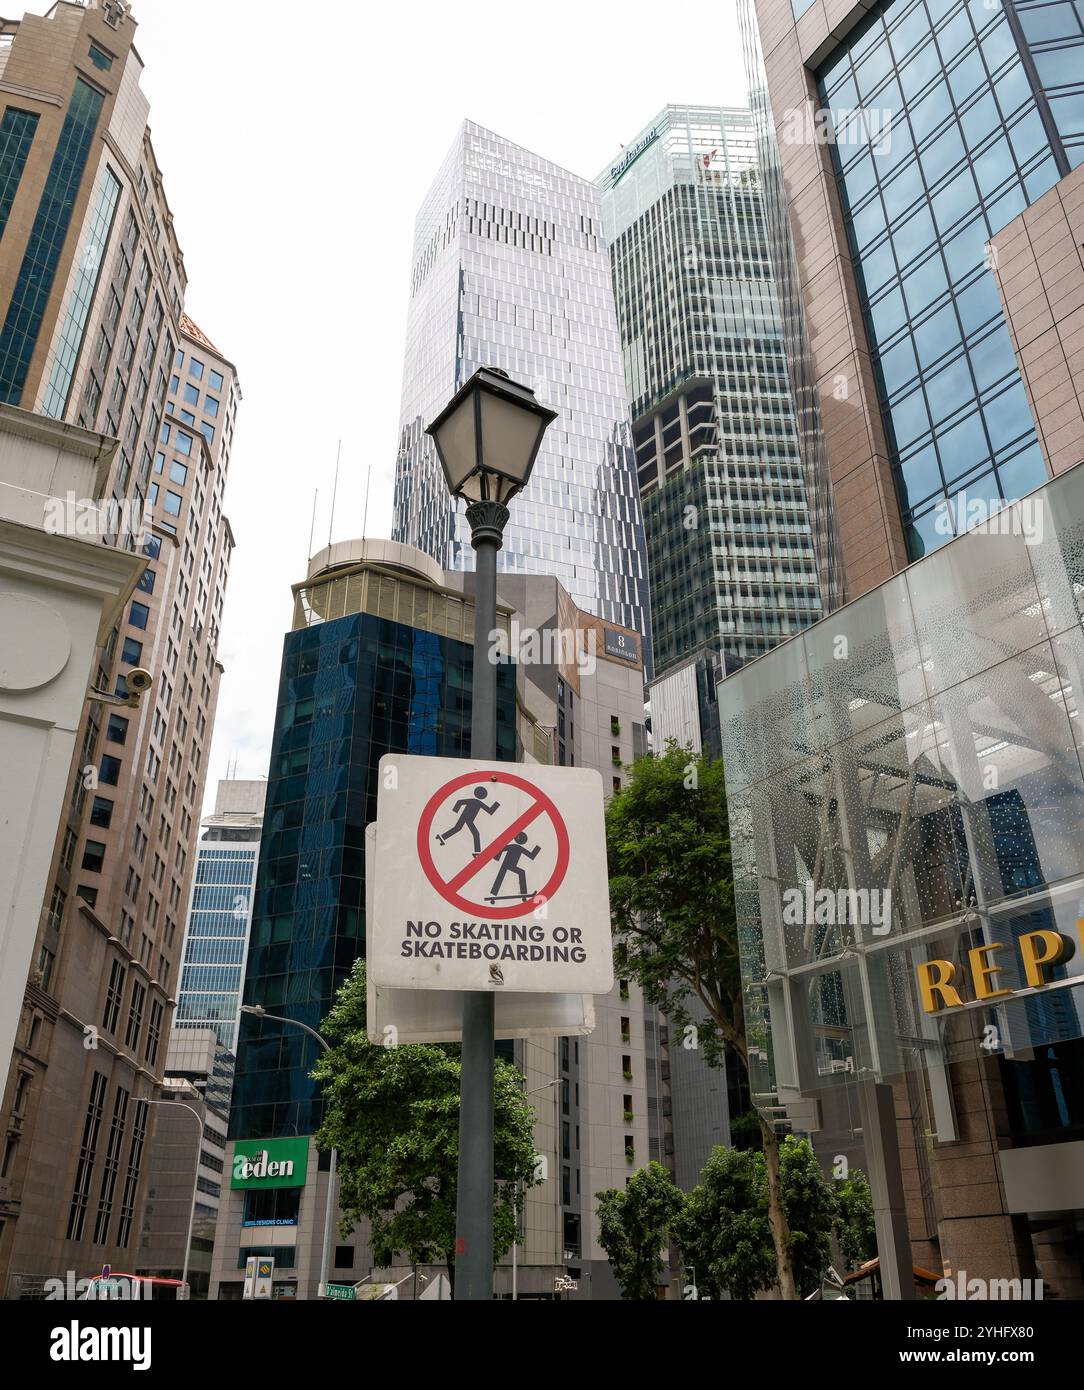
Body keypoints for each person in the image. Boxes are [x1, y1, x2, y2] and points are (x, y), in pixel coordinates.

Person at [435, 786, 500, 855]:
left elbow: (459, 802)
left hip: (465, 818)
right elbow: (490, 810)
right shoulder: (477, 802)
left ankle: (442, 837)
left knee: (457, 828)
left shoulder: (474, 801)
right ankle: (477, 852)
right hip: (467, 819)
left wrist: (456, 810)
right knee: (475, 833)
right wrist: (496, 804)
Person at [489, 832, 541, 899]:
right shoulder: (514, 847)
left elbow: (531, 856)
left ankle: (523, 895)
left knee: (504, 876)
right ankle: (523, 894)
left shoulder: (516, 847)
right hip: (506, 864)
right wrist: (496, 858)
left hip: (510, 865)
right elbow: (500, 849)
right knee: (502, 876)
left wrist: (538, 846)